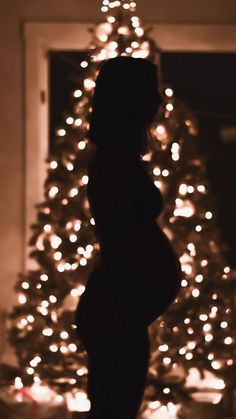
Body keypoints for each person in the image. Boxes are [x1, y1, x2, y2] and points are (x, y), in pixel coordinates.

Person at [75, 56, 182, 418]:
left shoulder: (120, 158)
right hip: (116, 314)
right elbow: (125, 250)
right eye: (146, 93)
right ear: (125, 99)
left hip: (121, 312)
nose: (156, 102)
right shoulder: (113, 162)